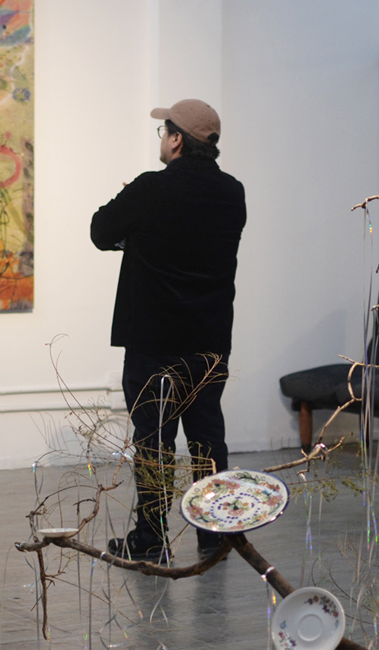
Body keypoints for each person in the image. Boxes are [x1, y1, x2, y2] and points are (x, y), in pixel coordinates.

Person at [90, 98, 246, 561]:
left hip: (154, 342)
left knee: (153, 441)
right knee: (206, 437)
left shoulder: (149, 189)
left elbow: (101, 231)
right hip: (210, 340)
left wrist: (138, 215)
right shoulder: (232, 191)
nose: (161, 138)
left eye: (163, 132)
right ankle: (213, 531)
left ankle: (152, 538)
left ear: (177, 138)